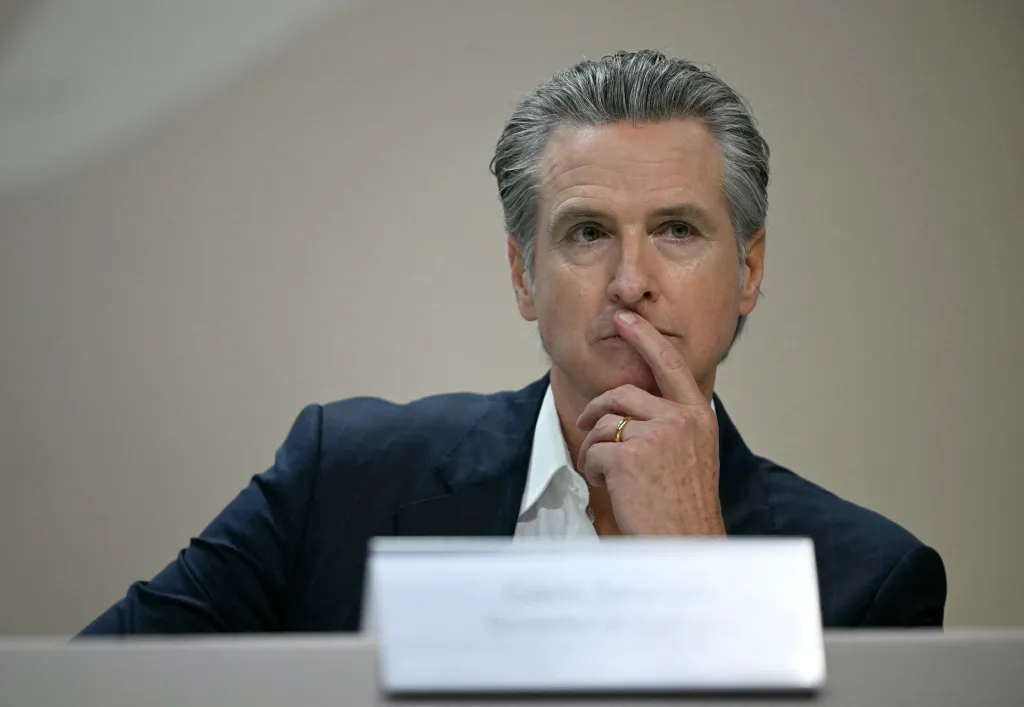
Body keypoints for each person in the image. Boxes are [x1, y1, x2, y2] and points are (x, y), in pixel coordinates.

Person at [80, 49, 945, 634]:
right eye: (586, 232)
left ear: (749, 270)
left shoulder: (869, 581)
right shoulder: (335, 475)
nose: (631, 279)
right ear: (523, 275)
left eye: (678, 229)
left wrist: (696, 566)